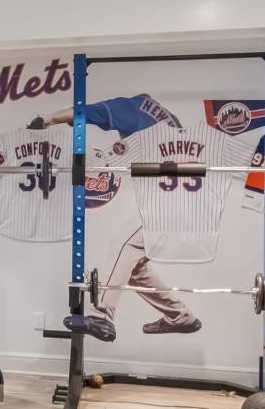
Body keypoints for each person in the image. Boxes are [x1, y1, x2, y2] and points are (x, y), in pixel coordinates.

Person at [27, 92, 227, 342]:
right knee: (134, 266)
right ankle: (180, 315)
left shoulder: (130, 107)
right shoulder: (165, 116)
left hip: (173, 202)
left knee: (123, 245)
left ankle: (101, 314)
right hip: (185, 200)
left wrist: (45, 121)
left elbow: (83, 113)